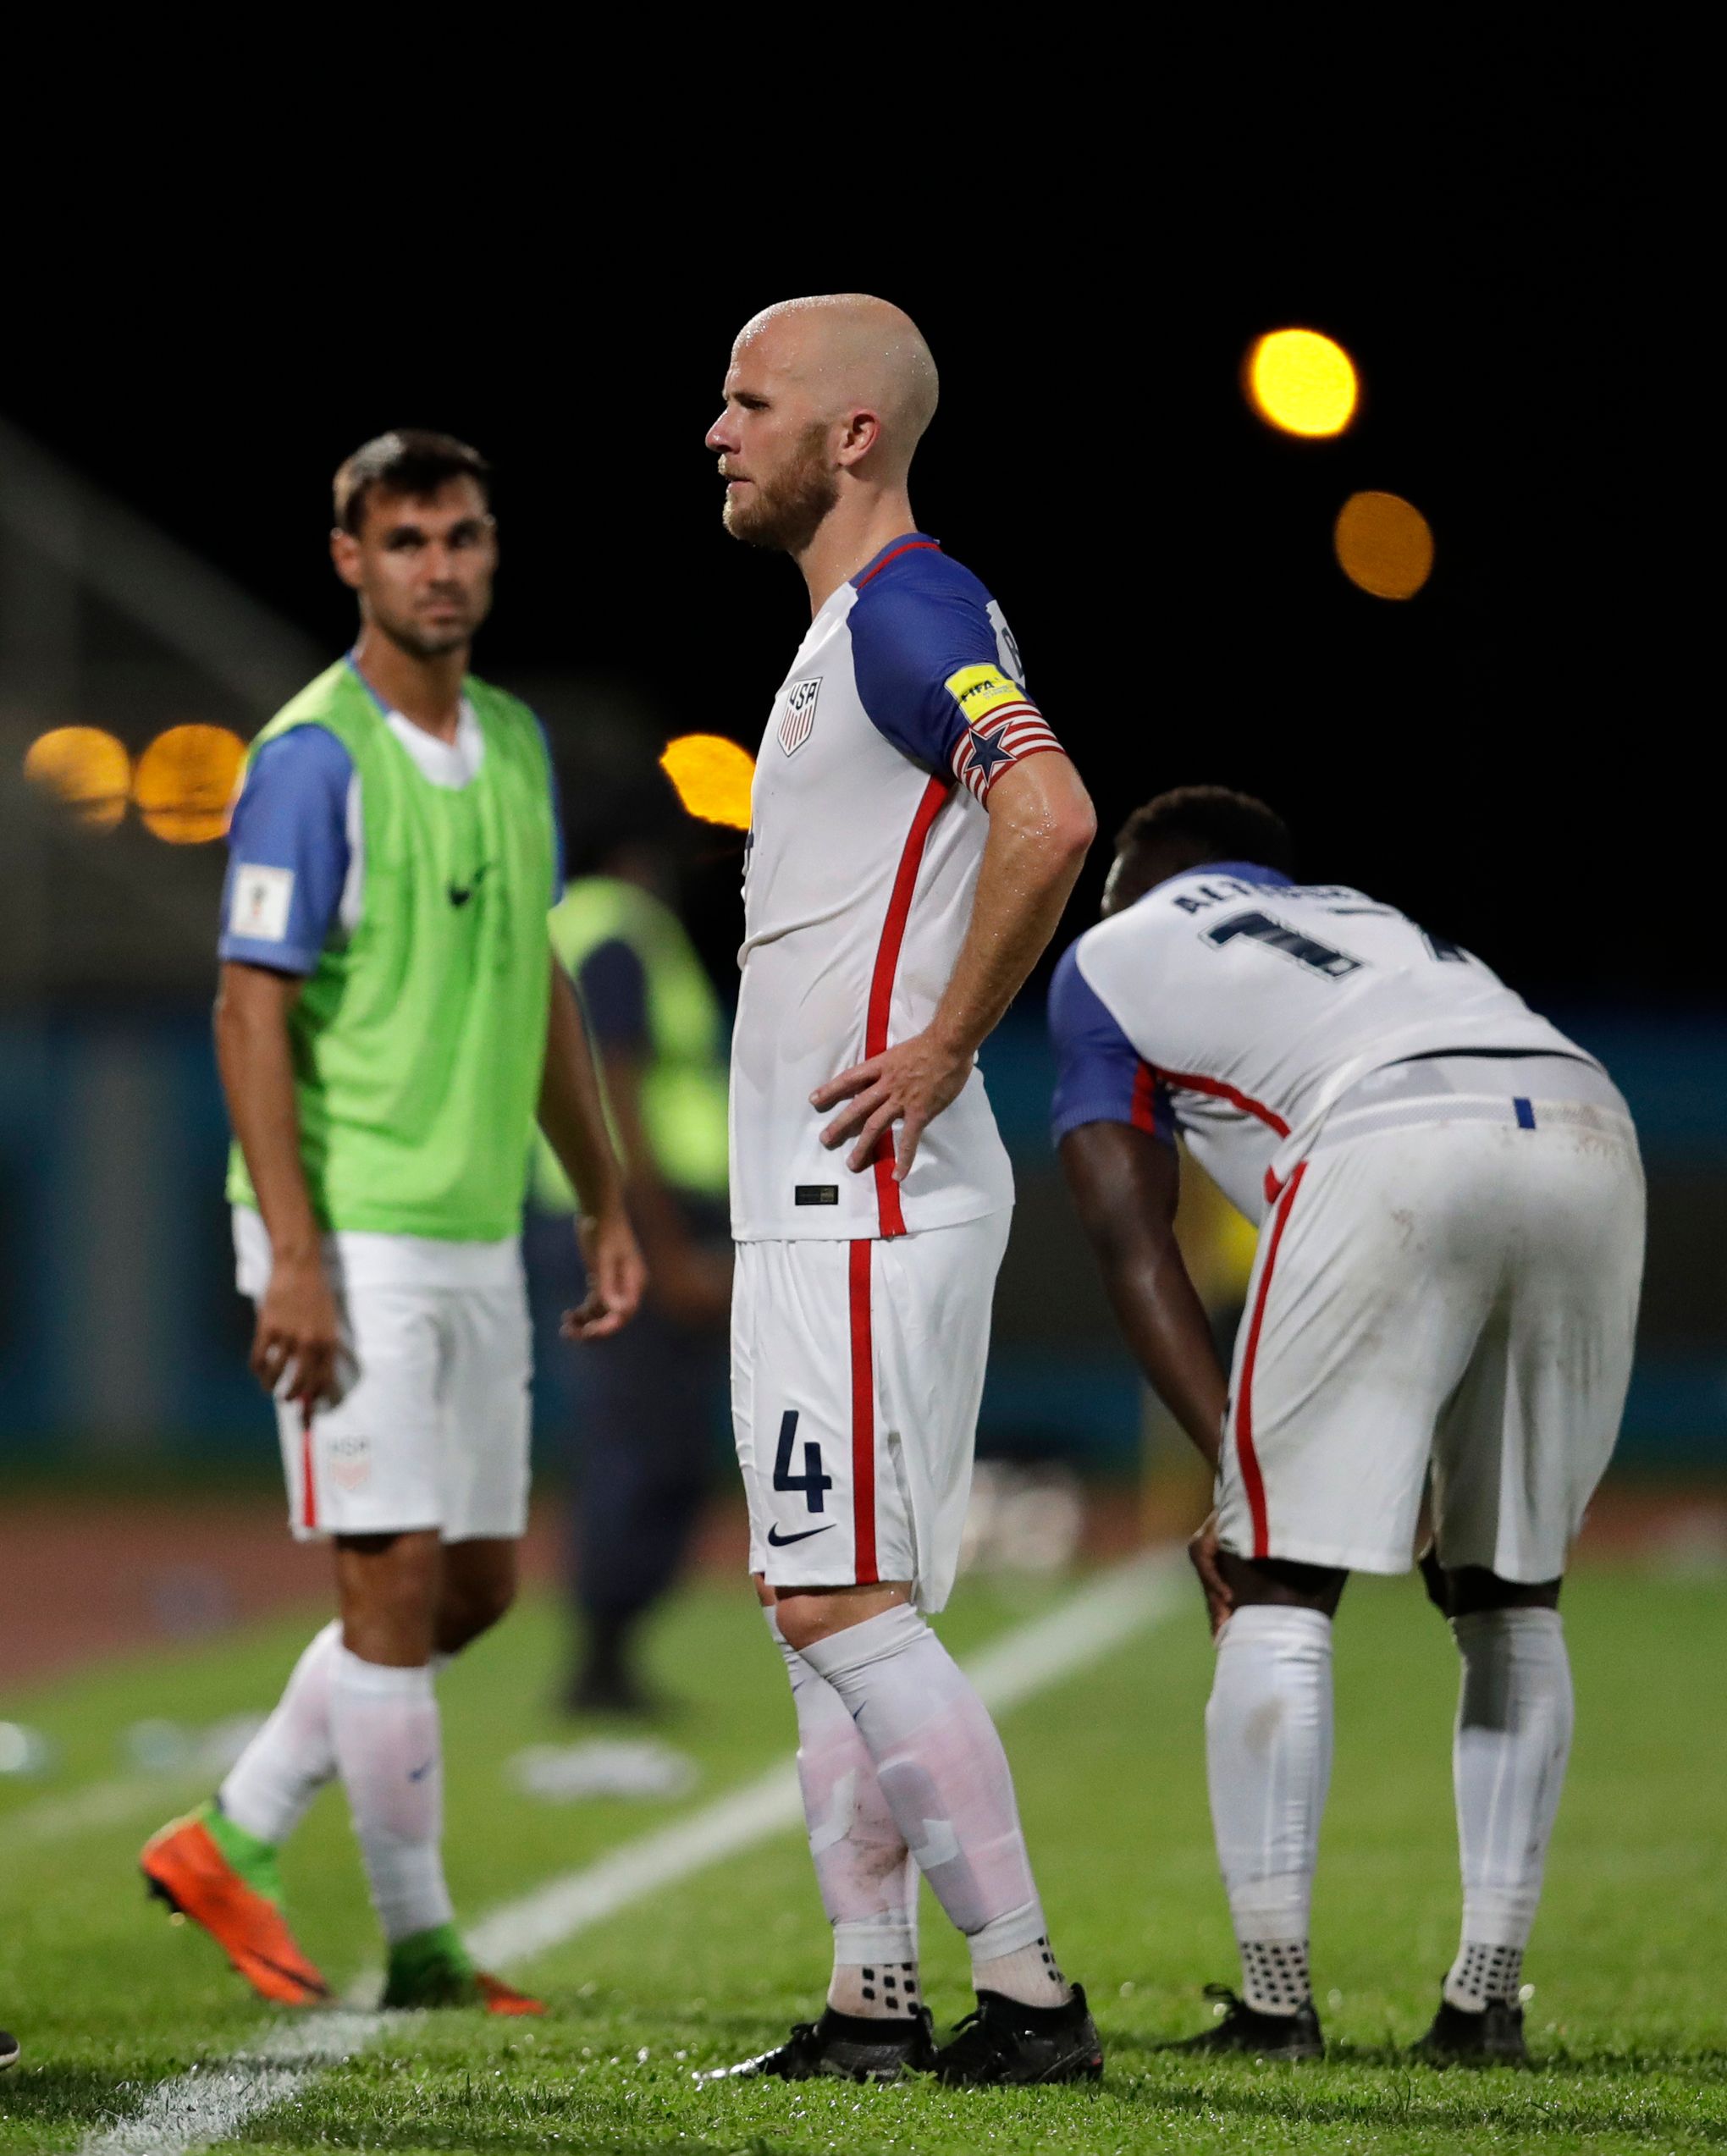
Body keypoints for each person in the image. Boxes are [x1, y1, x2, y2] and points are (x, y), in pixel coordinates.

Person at [141, 430, 645, 2014]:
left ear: (492, 553)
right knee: (390, 1575)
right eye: (408, 538)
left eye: (465, 536)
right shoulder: (313, 757)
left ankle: (234, 1827)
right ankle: (422, 1943)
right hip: (349, 1229)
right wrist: (293, 1251)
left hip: (477, 1222)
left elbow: (541, 981)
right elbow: (245, 1005)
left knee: (474, 1585)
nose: (442, 564)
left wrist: (606, 1191)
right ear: (350, 559)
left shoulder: (510, 739)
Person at [1050, 785, 1644, 2065]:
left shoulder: (1116, 948)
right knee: (1509, 1591)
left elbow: (1127, 1232)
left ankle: (1275, 2002)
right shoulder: (1375, 921)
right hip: (1588, 1113)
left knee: (1273, 1574)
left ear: (1157, 873)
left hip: (1385, 1126)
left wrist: (1232, 1475)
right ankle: (1485, 1996)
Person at [702, 295, 1103, 2087]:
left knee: (838, 1598)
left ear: (850, 434)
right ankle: (875, 1999)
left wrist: (944, 1043)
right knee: (823, 1600)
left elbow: (1053, 809)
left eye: (749, 398)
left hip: (863, 1185)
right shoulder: (845, 637)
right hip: (823, 1199)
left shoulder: (905, 611)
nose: (717, 429)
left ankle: (1027, 1992)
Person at [529, 805, 732, 1712]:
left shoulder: (563, 924)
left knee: (644, 1436)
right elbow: (616, 1086)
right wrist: (664, 1244)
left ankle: (609, 1653)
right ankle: (600, 1656)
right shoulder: (621, 931)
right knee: (646, 1439)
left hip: (589, 1208)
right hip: (635, 1216)